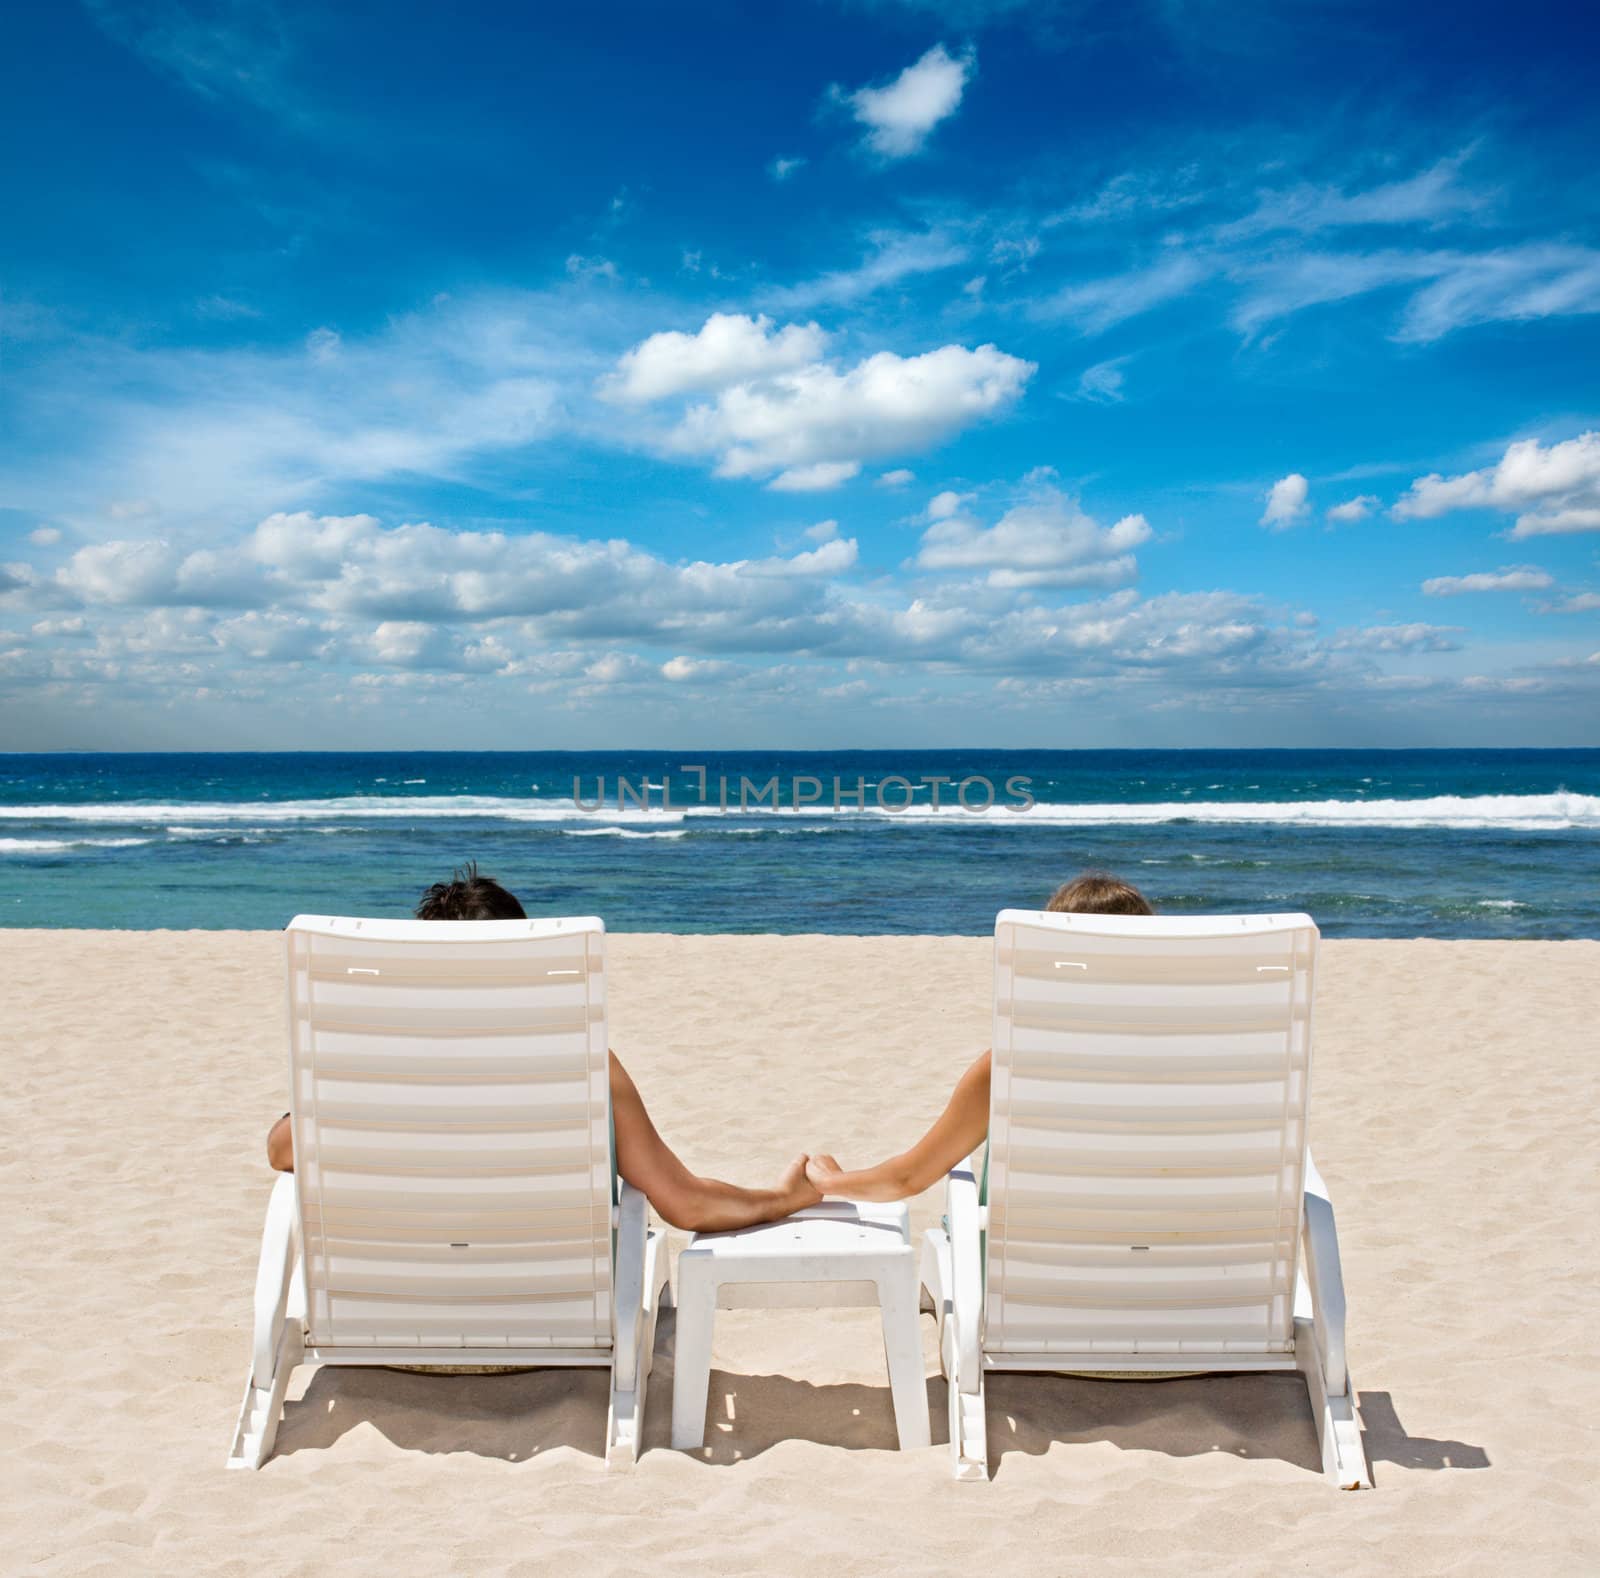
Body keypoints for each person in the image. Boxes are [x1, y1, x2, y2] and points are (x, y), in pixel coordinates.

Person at [266, 864, 820, 1232]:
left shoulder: (373, 1062)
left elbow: (282, 1150)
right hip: (547, 1322)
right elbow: (687, 1203)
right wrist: (783, 1199)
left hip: (386, 1328)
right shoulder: (583, 1064)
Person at [804, 872, 1155, 1203]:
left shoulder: (1013, 1063)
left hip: (1032, 1260)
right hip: (1181, 1260)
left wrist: (829, 1180)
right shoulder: (1197, 1059)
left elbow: (907, 1179)